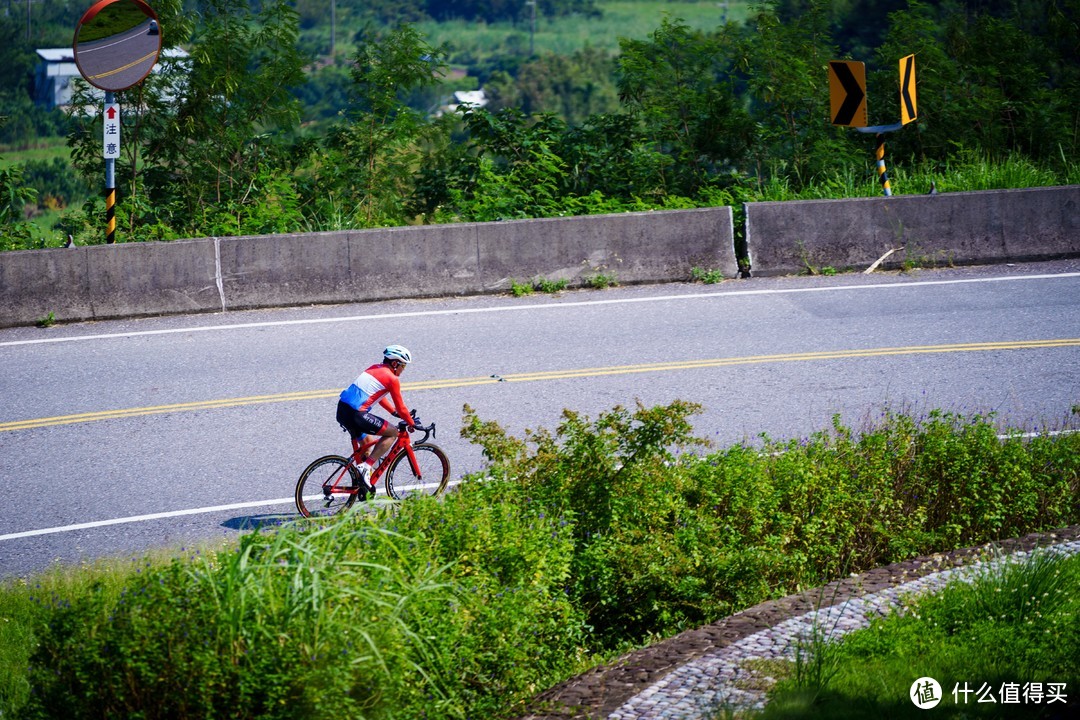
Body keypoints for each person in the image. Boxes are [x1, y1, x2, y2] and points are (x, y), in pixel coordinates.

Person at [336, 345, 416, 495]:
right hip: (356, 414)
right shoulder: (392, 379)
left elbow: (379, 396)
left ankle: (363, 487)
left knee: (367, 445)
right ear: (394, 363)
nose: (403, 370)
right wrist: (412, 423)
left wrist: (393, 412)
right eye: (403, 366)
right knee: (393, 433)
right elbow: (402, 407)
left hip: (342, 410)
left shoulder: (375, 368)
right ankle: (366, 467)